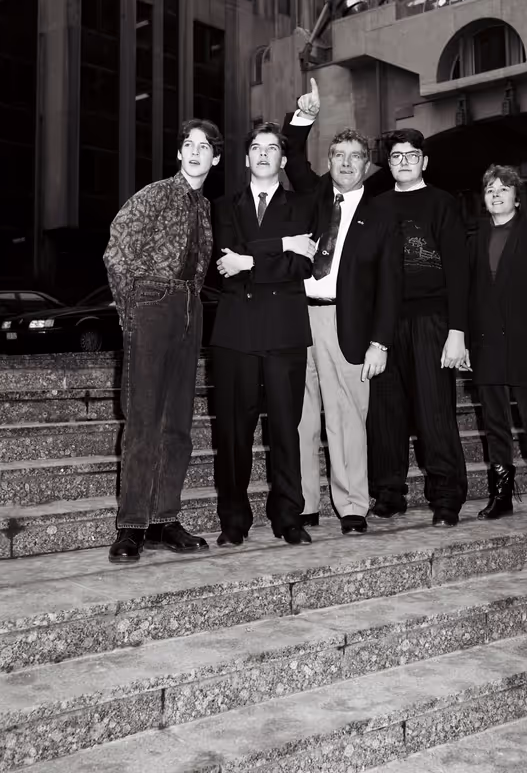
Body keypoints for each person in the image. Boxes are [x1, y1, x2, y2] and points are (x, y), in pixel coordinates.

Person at [283, 79, 400, 535]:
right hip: (299, 318)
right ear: (329, 162)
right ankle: (305, 502)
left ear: (366, 165)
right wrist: (305, 117)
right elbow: (293, 156)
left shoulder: (382, 214)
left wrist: (380, 342)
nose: (346, 163)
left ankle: (352, 505)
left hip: (347, 324)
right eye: (338, 156)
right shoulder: (313, 196)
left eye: (355, 157)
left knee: (348, 418)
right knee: (300, 416)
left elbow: (390, 285)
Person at [103, 118, 223, 564]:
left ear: (215, 158)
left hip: (191, 305)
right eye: (188, 144)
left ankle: (164, 519)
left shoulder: (204, 207)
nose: (195, 152)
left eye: (204, 146)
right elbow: (117, 254)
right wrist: (133, 310)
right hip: (152, 301)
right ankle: (132, 525)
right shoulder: (154, 195)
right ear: (178, 153)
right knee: (144, 419)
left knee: (178, 423)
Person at [209, 123, 316, 546]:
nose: (264, 153)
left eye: (272, 148)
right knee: (234, 432)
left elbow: (302, 266)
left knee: (286, 429)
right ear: (246, 158)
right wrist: (284, 244)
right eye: (256, 147)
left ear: (283, 160)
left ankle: (288, 516)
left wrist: (250, 260)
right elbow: (224, 265)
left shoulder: (302, 204)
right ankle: (234, 519)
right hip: (236, 331)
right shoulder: (223, 206)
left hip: (285, 330)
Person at [366, 129, 469, 527]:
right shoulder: (377, 206)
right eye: (396, 156)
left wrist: (457, 332)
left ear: (424, 161)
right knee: (385, 413)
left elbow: (458, 271)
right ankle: (389, 493)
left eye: (411, 155)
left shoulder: (442, 203)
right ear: (388, 163)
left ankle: (446, 497)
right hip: (385, 324)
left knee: (434, 412)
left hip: (432, 319)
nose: (404, 162)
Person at [467, 164, 527, 520]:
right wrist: (466, 343)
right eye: (490, 189)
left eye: (504, 189)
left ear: (517, 198)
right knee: (494, 423)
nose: (496, 194)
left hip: (526, 343)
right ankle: (501, 497)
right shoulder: (474, 239)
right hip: (487, 343)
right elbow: (469, 295)